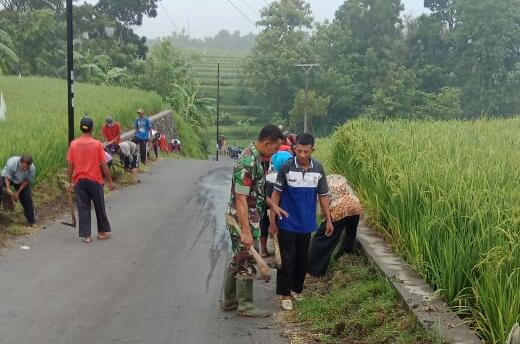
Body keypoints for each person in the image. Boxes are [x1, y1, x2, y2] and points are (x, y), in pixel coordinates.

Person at [221, 125, 286, 317]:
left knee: (239, 258)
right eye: (275, 149)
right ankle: (245, 305)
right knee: (247, 260)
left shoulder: (258, 159)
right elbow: (241, 199)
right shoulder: (248, 162)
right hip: (242, 220)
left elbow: (254, 192)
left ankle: (230, 301)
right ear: (266, 143)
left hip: (250, 218)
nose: (274, 154)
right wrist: (246, 231)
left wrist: (272, 205)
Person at [269, 133, 333, 311]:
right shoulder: (286, 168)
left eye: (306, 151)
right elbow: (276, 194)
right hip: (287, 221)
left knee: (302, 259)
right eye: (299, 151)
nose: (303, 155)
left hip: (307, 223)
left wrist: (328, 220)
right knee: (287, 259)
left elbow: (323, 196)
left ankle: (297, 289)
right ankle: (285, 294)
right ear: (294, 149)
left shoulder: (318, 169)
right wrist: (273, 220)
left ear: (312, 150)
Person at [67, 116, 114, 243]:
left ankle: (87, 236)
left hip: (79, 181)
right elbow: (104, 165)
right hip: (95, 180)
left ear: (81, 128)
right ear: (92, 129)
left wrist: (70, 182)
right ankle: (101, 232)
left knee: (83, 207)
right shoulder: (97, 144)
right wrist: (110, 181)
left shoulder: (74, 144)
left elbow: (70, 166)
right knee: (99, 206)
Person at [307, 174, 363, 277]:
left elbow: (324, 205)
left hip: (340, 208)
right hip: (355, 206)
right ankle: (345, 254)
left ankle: (314, 271)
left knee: (322, 238)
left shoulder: (318, 187)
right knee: (350, 233)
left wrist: (326, 220)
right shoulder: (334, 178)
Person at [259, 150, 293, 258]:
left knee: (264, 221)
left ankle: (263, 250)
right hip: (277, 200)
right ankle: (282, 248)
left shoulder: (269, 174)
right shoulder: (287, 176)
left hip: (266, 197)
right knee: (280, 219)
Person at [0, 155, 36, 226]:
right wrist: (8, 188)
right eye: (23, 166)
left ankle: (31, 221)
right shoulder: (12, 162)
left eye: (27, 167)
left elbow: (27, 181)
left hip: (21, 181)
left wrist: (18, 192)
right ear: (20, 162)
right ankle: (4, 193)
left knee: (27, 198)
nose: (25, 168)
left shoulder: (32, 168)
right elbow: (7, 177)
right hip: (7, 177)